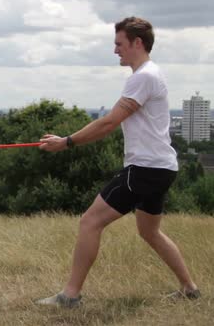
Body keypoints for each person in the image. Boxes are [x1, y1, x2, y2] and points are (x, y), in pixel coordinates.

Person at [35, 17, 200, 308]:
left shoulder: (144, 77)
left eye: (119, 44)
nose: (115, 51)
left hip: (145, 168)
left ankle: (70, 296)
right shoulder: (151, 74)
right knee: (149, 231)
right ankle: (189, 289)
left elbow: (110, 122)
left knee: (90, 222)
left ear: (137, 42)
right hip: (161, 168)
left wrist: (66, 142)